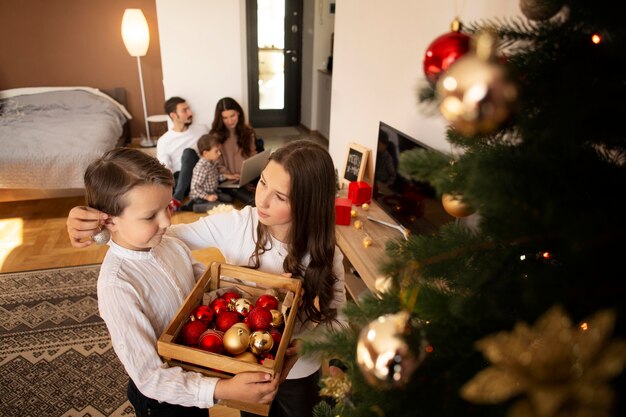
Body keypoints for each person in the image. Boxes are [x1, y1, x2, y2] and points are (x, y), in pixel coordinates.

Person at [67, 140, 348, 417]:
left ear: (308, 203)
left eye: (281, 197)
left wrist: (304, 346)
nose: (261, 200)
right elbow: (155, 239)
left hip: (300, 371)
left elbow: (340, 319)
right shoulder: (239, 224)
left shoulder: (325, 251)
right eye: (262, 183)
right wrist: (100, 230)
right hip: (240, 365)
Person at [82, 147, 278, 417]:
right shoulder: (117, 286)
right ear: (109, 220)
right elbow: (149, 377)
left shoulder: (169, 244)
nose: (165, 222)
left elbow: (203, 284)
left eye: (167, 207)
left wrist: (256, 288)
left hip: (196, 368)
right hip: (162, 400)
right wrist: (222, 389)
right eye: (151, 216)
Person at [156, 96, 209, 211]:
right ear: (173, 115)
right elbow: (164, 167)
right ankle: (183, 200)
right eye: (184, 110)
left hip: (199, 176)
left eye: (189, 108)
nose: (190, 112)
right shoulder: (164, 141)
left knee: (188, 153)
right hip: (179, 179)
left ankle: (176, 198)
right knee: (175, 176)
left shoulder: (202, 130)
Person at [210, 97, 258, 205]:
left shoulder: (248, 131)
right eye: (225, 118)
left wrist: (247, 178)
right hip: (229, 181)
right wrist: (235, 178)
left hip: (246, 176)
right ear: (220, 118)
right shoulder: (215, 136)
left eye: (232, 115)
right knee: (252, 200)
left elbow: (253, 155)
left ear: (238, 113)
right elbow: (217, 165)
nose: (230, 121)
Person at [182, 133, 239, 213]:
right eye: (216, 151)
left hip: (212, 192)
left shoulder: (212, 163)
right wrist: (207, 197)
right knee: (216, 206)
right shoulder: (201, 168)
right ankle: (194, 207)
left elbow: (214, 177)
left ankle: (212, 202)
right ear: (205, 153)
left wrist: (227, 176)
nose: (219, 153)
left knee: (229, 199)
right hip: (200, 197)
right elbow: (195, 188)